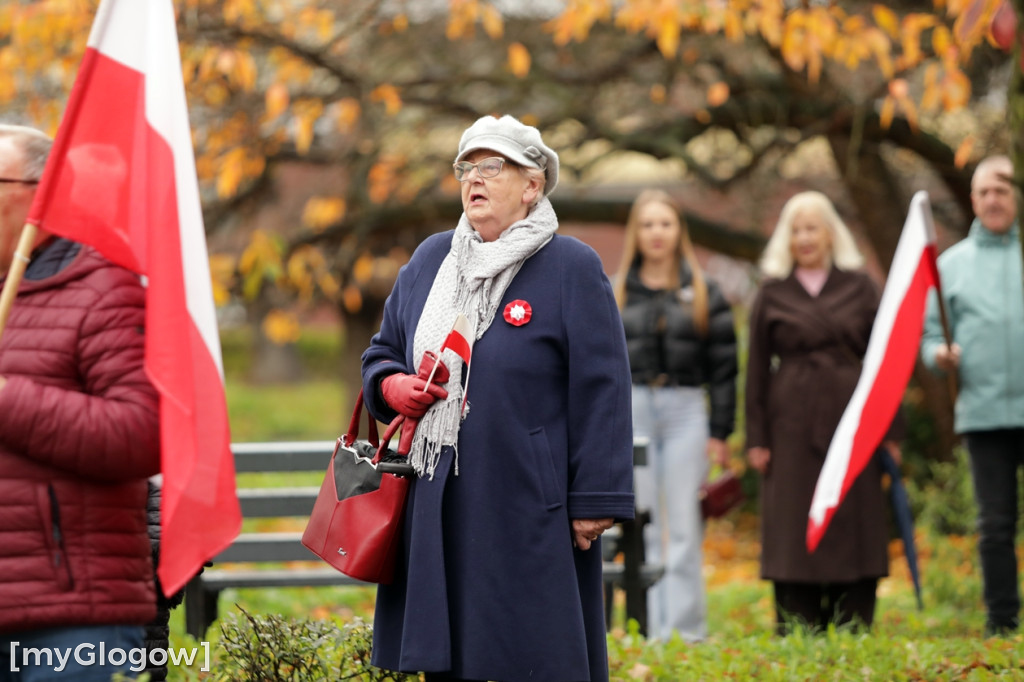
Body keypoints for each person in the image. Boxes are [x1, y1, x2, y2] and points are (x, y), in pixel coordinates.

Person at [361, 114, 635, 682]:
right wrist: (391, 385)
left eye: (493, 166)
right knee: (448, 657)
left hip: (530, 504)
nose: (474, 179)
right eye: (466, 167)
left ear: (532, 185)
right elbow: (382, 351)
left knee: (531, 656)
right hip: (435, 500)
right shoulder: (431, 260)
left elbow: (602, 388)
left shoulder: (570, 266)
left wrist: (596, 498)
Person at [0, 124, 161, 680]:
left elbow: (140, 434)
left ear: (42, 194)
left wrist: (5, 399)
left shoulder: (103, 288)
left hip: (69, 614)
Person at [745, 191, 898, 635]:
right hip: (789, 422)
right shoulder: (771, 292)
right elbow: (755, 368)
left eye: (812, 227)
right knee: (794, 516)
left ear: (831, 232)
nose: (804, 237)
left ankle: (855, 620)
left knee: (856, 512)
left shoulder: (861, 285)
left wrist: (891, 430)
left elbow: (886, 360)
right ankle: (798, 621)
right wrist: (756, 438)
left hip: (854, 420)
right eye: (796, 229)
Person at [613, 189, 737, 642]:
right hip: (634, 410)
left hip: (687, 411)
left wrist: (721, 431)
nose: (657, 233)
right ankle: (647, 626)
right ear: (636, 234)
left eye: (665, 223)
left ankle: (684, 631)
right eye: (647, 224)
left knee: (684, 522)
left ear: (679, 230)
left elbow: (725, 370)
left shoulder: (706, 292)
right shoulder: (616, 290)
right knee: (641, 521)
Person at [921, 154, 1024, 637]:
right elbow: (926, 337)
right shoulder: (951, 267)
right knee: (995, 524)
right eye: (983, 191)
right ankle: (1002, 622)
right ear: (973, 200)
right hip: (983, 414)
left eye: (1001, 189)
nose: (992, 199)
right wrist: (938, 353)